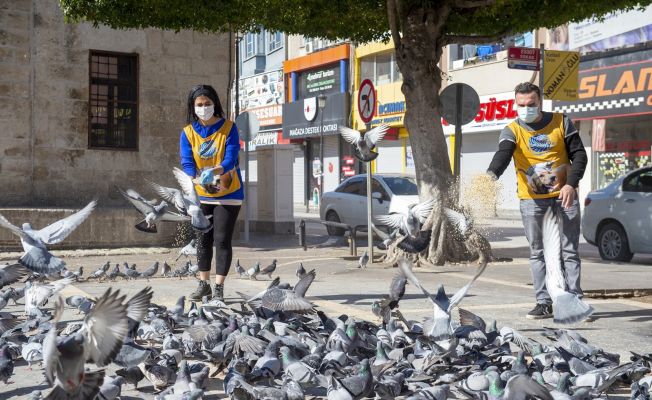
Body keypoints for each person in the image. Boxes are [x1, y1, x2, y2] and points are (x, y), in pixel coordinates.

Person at [486, 82, 588, 319]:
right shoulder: (512, 129)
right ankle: (543, 302)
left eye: (531, 104)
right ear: (515, 103)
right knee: (537, 251)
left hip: (565, 196)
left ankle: (575, 301)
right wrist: (491, 174)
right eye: (521, 105)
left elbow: (579, 154)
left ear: (540, 102)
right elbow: (504, 153)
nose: (526, 109)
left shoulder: (561, 122)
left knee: (569, 250)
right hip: (532, 200)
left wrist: (571, 184)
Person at [180, 84, 243, 301]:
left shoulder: (229, 127)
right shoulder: (188, 132)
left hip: (228, 192)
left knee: (222, 239)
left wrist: (216, 170)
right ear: (193, 106)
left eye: (207, 104)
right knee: (202, 239)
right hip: (202, 193)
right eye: (199, 104)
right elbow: (187, 161)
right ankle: (203, 284)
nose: (204, 108)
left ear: (214, 104)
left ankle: (219, 288)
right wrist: (193, 177)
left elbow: (231, 157)